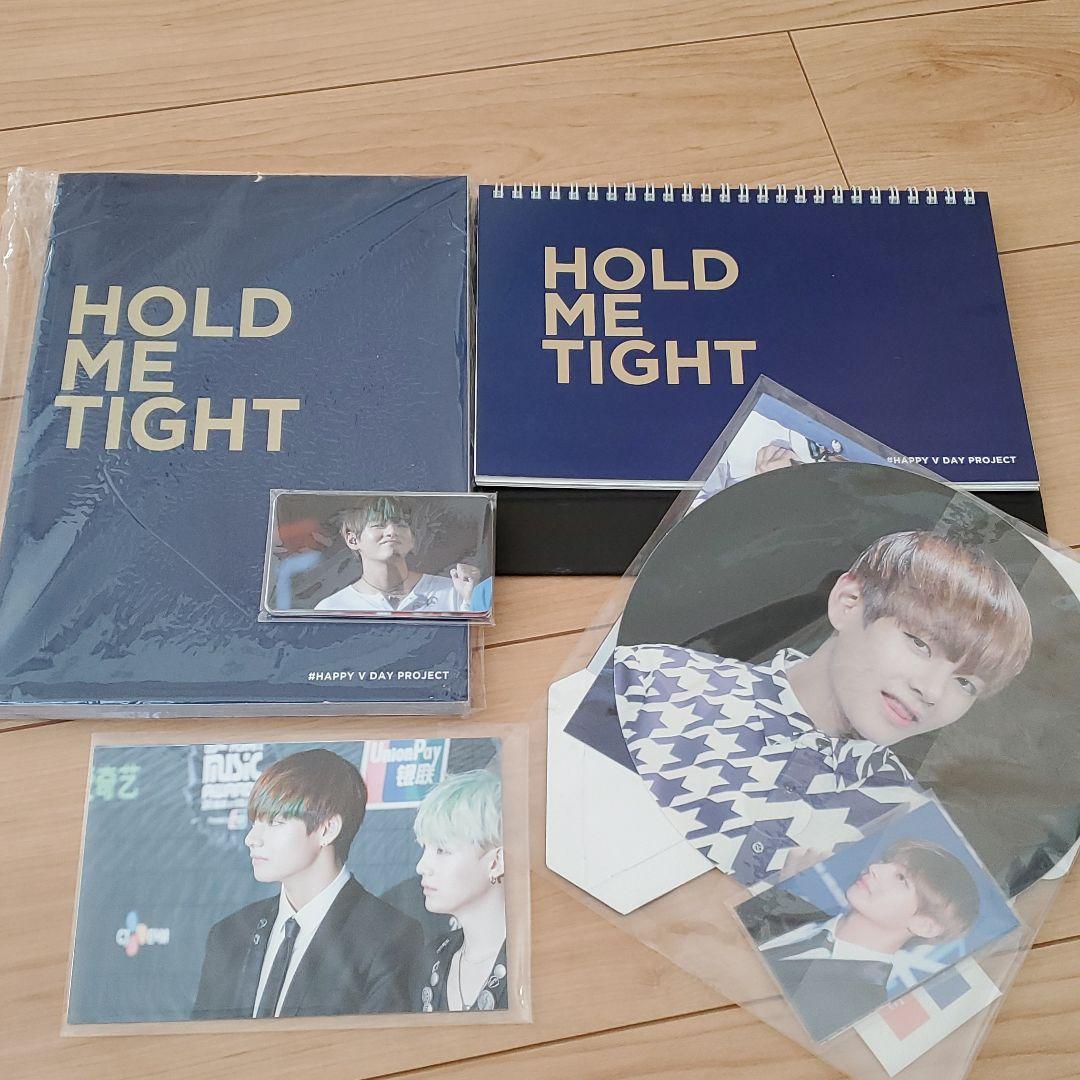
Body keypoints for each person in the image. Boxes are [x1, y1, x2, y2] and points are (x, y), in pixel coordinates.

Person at [614, 530, 1033, 885]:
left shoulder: (913, 828)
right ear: (848, 603)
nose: (933, 691)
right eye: (919, 644)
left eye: (965, 683)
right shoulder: (656, 678)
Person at [192, 749, 423, 1019]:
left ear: (327, 829)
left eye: (275, 822)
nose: (252, 839)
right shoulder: (229, 935)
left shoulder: (388, 937)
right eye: (255, 822)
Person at [741, 838, 980, 1041]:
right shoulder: (791, 907)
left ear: (924, 925)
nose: (875, 868)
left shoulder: (858, 1009)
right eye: (885, 861)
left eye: (901, 878)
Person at [413, 769, 507, 1012]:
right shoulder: (429, 960)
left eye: (442, 850)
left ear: (496, 862)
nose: (421, 866)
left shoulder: (538, 962)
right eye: (424, 848)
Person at [314, 496, 475, 613]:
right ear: (352, 540)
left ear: (412, 539)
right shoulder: (333, 608)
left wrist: (470, 599)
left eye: (400, 524)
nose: (391, 531)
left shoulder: (452, 592)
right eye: (378, 525)